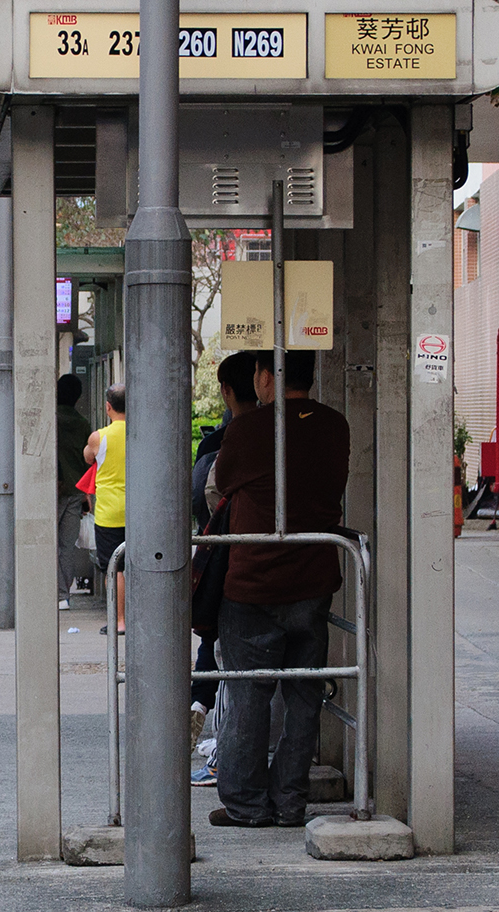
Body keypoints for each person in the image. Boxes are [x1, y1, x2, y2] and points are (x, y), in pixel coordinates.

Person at [208, 349, 349, 829]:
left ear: (266, 377)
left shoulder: (248, 429)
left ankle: (246, 804)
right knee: (305, 693)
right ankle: (290, 801)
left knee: (248, 694)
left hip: (253, 581)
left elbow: (223, 481)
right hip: (314, 578)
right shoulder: (336, 425)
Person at [188, 350, 261, 782]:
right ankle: (203, 713)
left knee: (226, 655)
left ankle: (221, 755)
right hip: (279, 567)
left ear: (227, 390)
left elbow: (209, 495)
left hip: (231, 567)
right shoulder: (282, 431)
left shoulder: (225, 440)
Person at [83, 384, 127, 634]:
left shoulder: (99, 437)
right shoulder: (139, 432)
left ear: (108, 407)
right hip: (138, 510)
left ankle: (119, 620)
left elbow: (88, 456)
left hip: (109, 512)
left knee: (116, 567)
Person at [56, 374, 95, 600]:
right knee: (66, 546)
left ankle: (48, 592)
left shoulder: (50, 420)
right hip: (75, 492)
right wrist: (86, 494)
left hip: (50, 491)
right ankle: (63, 595)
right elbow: (87, 461)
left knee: (48, 544)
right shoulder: (82, 424)